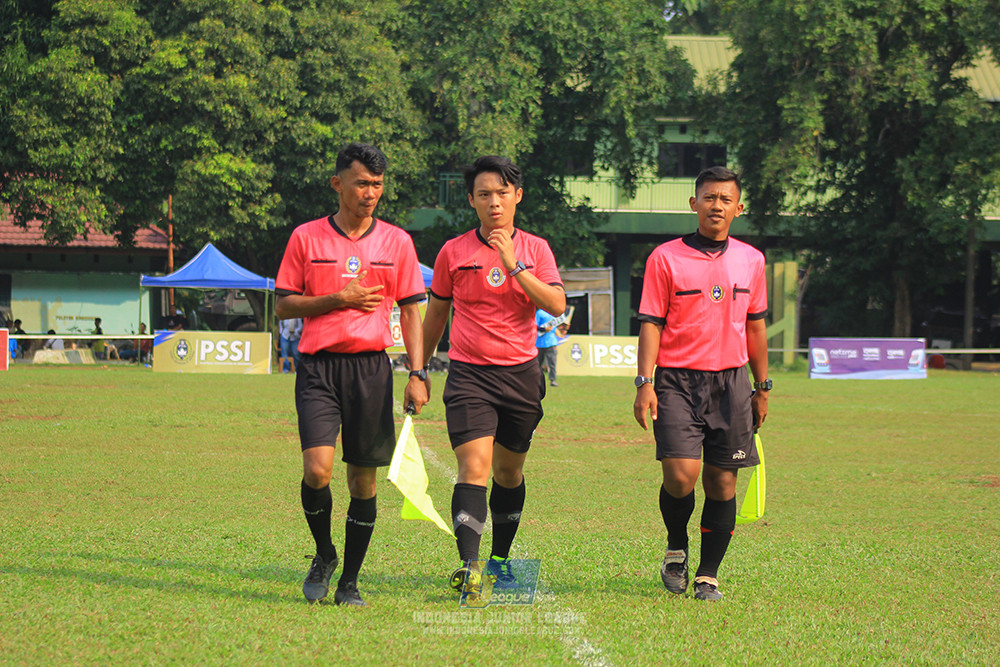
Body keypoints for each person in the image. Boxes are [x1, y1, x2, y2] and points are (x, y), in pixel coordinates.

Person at [275, 142, 428, 607]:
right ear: (337, 183)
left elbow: (411, 312)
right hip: (319, 368)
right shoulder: (306, 237)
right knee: (317, 471)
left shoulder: (397, 242)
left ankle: (350, 582)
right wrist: (336, 300)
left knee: (364, 481)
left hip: (371, 370)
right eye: (362, 183)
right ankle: (324, 554)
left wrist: (417, 372)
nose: (370, 193)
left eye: (377, 185)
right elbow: (283, 305)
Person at [421, 155, 565, 594]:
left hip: (521, 375)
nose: (494, 202)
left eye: (502, 193)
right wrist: (418, 368)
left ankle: (500, 559)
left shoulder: (536, 249)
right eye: (484, 194)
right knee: (474, 467)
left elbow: (556, 307)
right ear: (472, 200)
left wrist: (513, 261)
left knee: (508, 473)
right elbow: (436, 314)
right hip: (469, 376)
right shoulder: (453, 251)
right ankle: (469, 565)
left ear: (517, 196)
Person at [633, 166, 770, 602]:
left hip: (732, 384)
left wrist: (762, 386)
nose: (716, 206)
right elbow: (651, 324)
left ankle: (708, 575)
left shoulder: (752, 260)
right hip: (676, 381)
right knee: (681, 476)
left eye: (725, 199)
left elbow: (756, 328)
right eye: (709, 198)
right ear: (694, 204)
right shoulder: (665, 258)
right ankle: (677, 546)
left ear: (738, 208)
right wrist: (644, 381)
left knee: (723, 482)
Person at [535, 308, 562, 387]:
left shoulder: (553, 312)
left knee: (552, 362)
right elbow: (534, 325)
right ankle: (536, 380)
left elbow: (554, 327)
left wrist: (559, 334)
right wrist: (543, 329)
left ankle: (553, 380)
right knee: (538, 363)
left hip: (551, 342)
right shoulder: (539, 313)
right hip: (540, 343)